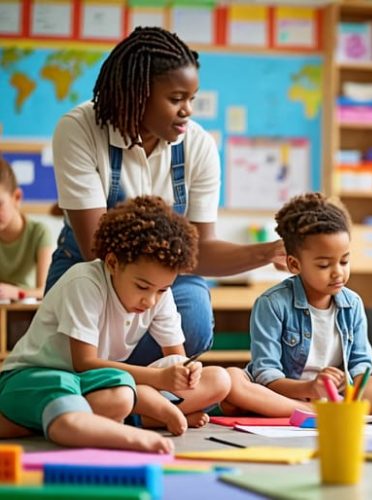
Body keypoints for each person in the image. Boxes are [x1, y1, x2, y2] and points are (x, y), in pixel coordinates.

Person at [48, 26, 285, 366]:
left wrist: (269, 251)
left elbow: (200, 250)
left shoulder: (199, 145)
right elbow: (95, 249)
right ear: (138, 92)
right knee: (65, 347)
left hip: (165, 275)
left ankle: (129, 393)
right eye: (176, 99)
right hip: (89, 266)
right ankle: (124, 390)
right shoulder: (79, 129)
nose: (187, 110)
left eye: (191, 98)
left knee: (194, 324)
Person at [0, 196, 231, 450]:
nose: (151, 300)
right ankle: (137, 426)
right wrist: (160, 379)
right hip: (44, 375)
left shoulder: (158, 295)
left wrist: (186, 373)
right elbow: (84, 363)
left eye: (163, 289)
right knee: (112, 391)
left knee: (217, 379)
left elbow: (176, 358)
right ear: (112, 263)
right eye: (142, 286)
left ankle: (136, 413)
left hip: (93, 384)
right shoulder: (85, 281)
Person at [222, 193, 372, 416]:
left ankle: (322, 409)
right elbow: (267, 374)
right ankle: (313, 410)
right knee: (231, 380)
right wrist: (310, 388)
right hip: (286, 392)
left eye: (344, 261)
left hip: (335, 394)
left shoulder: (353, 304)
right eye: (323, 265)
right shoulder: (271, 304)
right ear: (294, 264)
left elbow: (361, 363)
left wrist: (355, 385)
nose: (338, 272)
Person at [0, 154, 53, 300]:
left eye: (0, 204)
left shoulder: (39, 233)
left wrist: (15, 292)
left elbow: (45, 291)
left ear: (16, 197)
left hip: (26, 314)